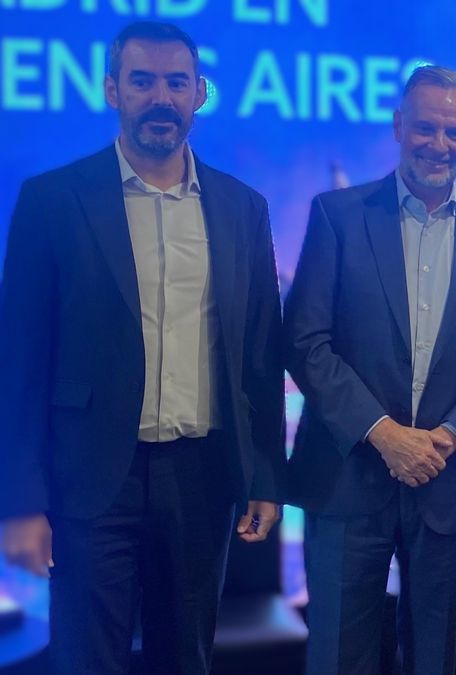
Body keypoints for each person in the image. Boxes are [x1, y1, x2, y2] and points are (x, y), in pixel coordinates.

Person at [0, 21, 285, 674]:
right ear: (111, 89)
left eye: (177, 82)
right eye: (143, 81)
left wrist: (266, 475)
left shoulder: (244, 208)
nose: (161, 97)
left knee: (186, 660)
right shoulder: (52, 201)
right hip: (93, 479)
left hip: (202, 477)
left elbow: (260, 355)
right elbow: (18, 366)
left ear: (199, 94)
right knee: (86, 660)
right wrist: (17, 502)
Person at [284, 65, 456, 675]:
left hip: (449, 481)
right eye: (424, 128)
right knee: (340, 658)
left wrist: (443, 440)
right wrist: (385, 435)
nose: (437, 145)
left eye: (453, 132)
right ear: (398, 126)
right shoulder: (337, 216)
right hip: (346, 478)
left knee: (434, 661)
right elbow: (306, 341)